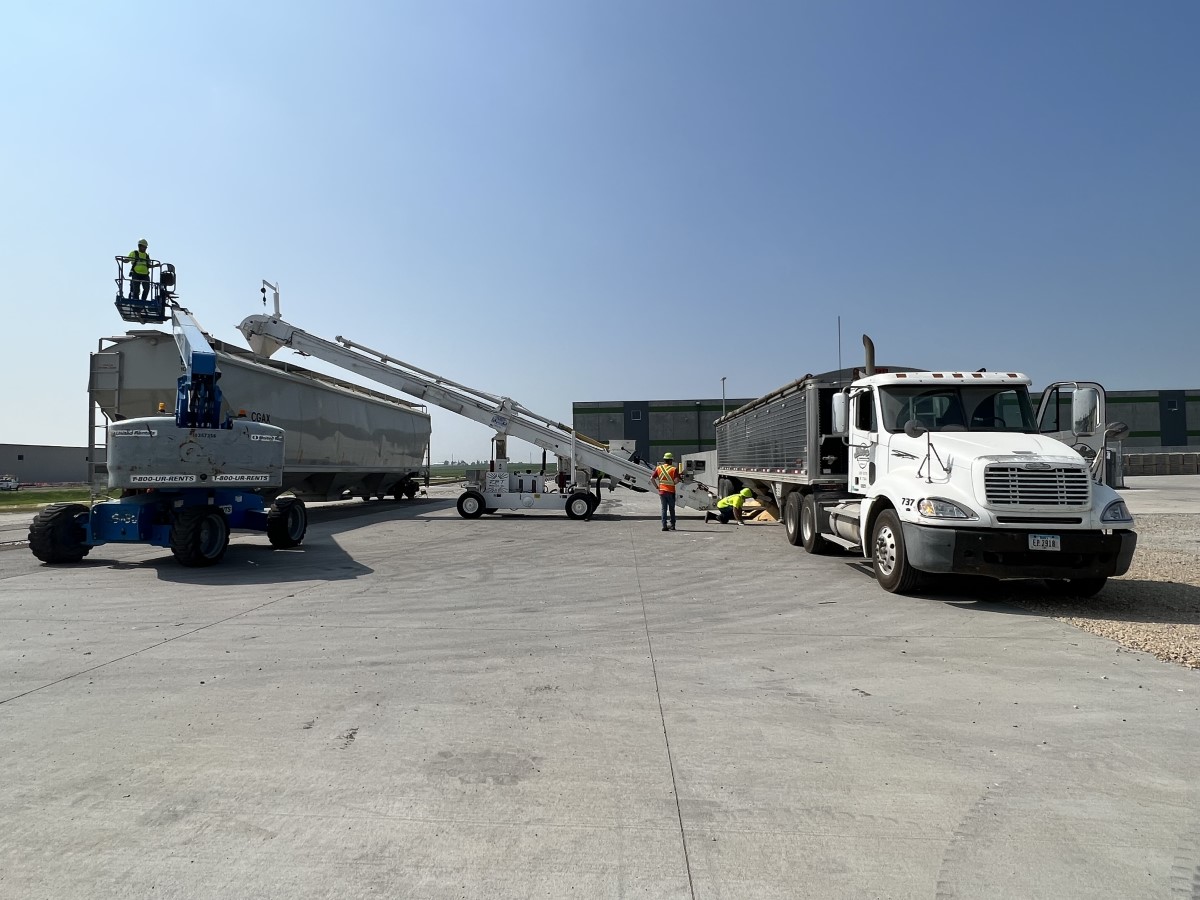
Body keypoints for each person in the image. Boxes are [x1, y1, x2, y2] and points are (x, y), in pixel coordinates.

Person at [653, 451, 681, 531]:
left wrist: (657, 487)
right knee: (671, 509)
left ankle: (664, 526)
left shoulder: (659, 468)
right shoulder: (673, 469)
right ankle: (672, 525)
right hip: (671, 492)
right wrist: (673, 483)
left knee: (664, 509)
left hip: (662, 492)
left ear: (664, 460)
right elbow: (677, 480)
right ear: (670, 460)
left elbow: (652, 478)